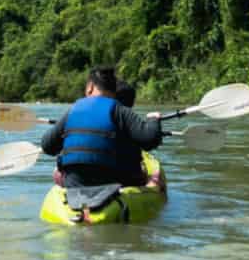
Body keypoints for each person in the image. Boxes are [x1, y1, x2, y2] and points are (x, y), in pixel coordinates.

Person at [40, 66, 164, 220]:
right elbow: (150, 139)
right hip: (112, 183)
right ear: (114, 90)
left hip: (74, 185)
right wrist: (153, 120)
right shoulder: (119, 110)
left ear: (90, 87)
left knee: (61, 171)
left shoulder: (73, 110)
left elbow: (47, 146)